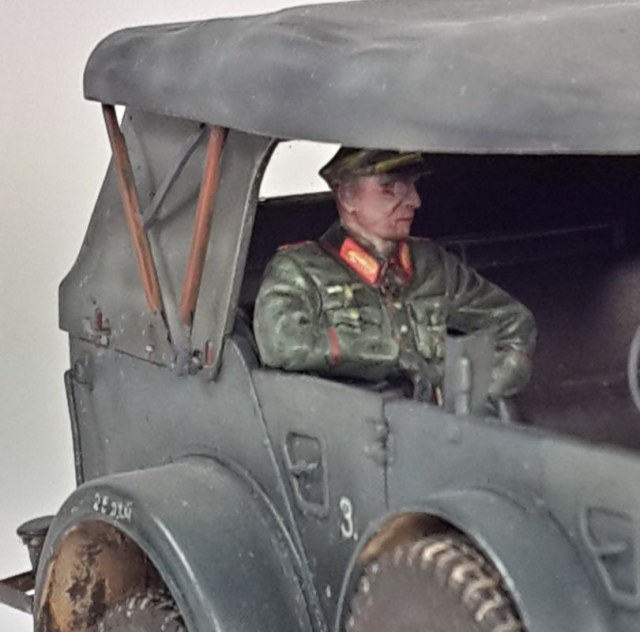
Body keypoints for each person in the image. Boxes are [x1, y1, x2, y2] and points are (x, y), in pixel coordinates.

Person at [253, 147, 536, 401]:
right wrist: (392, 356)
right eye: (389, 188)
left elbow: (514, 323)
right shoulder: (300, 269)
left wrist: (461, 385)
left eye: (412, 185)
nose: (414, 200)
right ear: (347, 196)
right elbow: (283, 343)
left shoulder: (433, 264)